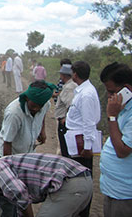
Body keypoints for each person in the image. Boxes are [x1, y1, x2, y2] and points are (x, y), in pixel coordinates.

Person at [0, 153, 93, 217]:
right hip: (83, 179)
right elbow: (21, 204)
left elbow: (19, 193)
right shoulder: (8, 166)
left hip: (71, 183)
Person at [63, 61, 100, 217]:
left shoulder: (86, 95)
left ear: (75, 74)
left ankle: (82, 211)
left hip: (81, 143)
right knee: (76, 175)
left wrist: (87, 145)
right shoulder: (83, 91)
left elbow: (88, 123)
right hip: (77, 140)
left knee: (82, 177)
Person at [99, 62, 132, 217]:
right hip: (114, 188)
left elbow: (122, 150)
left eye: (112, 91)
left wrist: (111, 116)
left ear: (127, 89)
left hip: (125, 194)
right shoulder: (124, 108)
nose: (109, 96)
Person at [0, 80, 55, 157]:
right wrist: (8, 164)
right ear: (27, 98)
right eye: (33, 106)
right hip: (11, 153)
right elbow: (7, 141)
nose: (36, 109)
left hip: (28, 152)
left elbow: (43, 114)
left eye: (39, 106)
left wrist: (42, 130)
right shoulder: (14, 113)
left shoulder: (45, 104)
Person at [54, 64, 77, 156]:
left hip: (64, 122)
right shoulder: (70, 85)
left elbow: (70, 104)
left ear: (63, 75)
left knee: (65, 148)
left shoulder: (69, 87)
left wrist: (65, 118)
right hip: (65, 120)